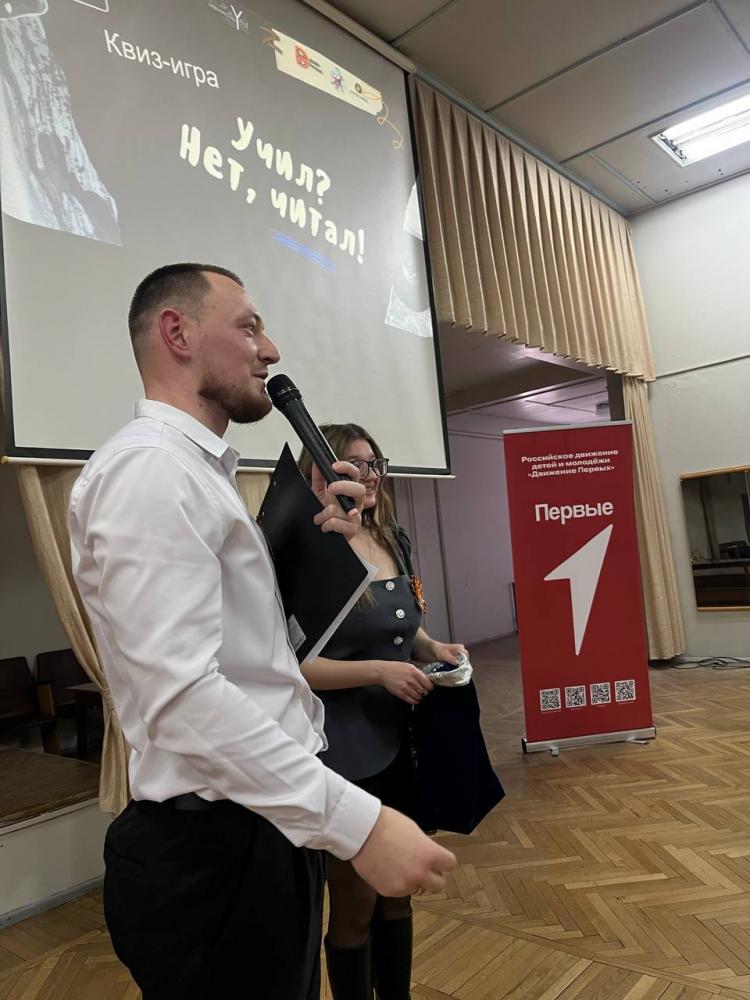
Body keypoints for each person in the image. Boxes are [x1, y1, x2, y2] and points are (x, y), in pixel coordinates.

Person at [68, 263, 456, 1000]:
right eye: (248, 328)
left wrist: (327, 547)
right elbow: (181, 697)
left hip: (257, 826)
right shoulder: (151, 473)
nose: (270, 350)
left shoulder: (197, 474)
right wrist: (358, 825)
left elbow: (249, 649)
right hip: (213, 849)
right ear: (177, 333)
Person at [298, 423, 467, 1000]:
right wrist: (379, 672)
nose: (367, 475)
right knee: (356, 904)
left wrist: (433, 647)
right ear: (319, 474)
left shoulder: (391, 536)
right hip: (343, 752)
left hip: (400, 742)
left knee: (398, 894)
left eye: (373, 463)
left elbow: (401, 625)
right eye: (352, 463)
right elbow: (294, 666)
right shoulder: (309, 550)